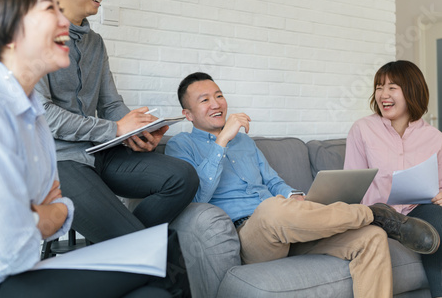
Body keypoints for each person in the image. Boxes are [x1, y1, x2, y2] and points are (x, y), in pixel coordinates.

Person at [0, 0, 172, 298]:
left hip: (16, 272)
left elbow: (50, 212)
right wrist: (48, 213)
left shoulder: (32, 113)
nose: (65, 22)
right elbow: (10, 246)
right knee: (156, 260)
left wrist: (38, 213)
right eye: (50, 10)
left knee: (155, 290)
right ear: (9, 30)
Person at [165, 71, 440, 298]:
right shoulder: (181, 145)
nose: (216, 103)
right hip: (251, 235)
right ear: (187, 114)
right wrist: (222, 141)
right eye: (204, 100)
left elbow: (273, 181)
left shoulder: (245, 142)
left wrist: (295, 196)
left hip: (291, 227)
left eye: (219, 95)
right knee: (273, 209)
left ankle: (374, 223)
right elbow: (197, 195)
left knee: (372, 239)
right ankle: (373, 214)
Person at [35, 0, 198, 245]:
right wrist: (113, 129)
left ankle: (119, 247)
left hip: (100, 153)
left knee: (183, 177)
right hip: (56, 162)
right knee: (136, 244)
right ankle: (128, 247)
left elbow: (111, 105)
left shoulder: (95, 42)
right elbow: (42, 114)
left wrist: (135, 130)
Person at [344, 60, 442, 298]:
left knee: (438, 225)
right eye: (379, 87)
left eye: (392, 87)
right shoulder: (362, 129)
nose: (383, 94)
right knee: (381, 213)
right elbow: (351, 183)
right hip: (377, 210)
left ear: (412, 91)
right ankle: (392, 224)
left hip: (417, 208)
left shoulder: (434, 137)